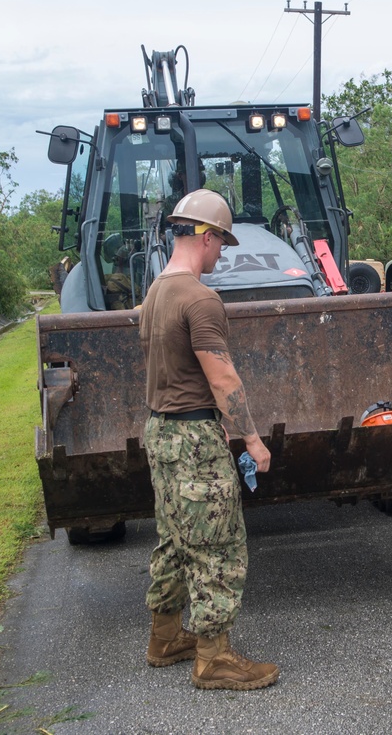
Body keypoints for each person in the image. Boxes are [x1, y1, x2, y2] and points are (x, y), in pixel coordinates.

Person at [139, 188, 279, 690]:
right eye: (221, 241)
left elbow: (175, 371)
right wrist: (252, 439)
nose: (223, 251)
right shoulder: (200, 298)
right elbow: (223, 378)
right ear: (203, 234)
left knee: (176, 538)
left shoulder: (157, 290)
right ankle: (213, 658)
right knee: (218, 547)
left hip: (161, 433)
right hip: (194, 441)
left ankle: (165, 637)